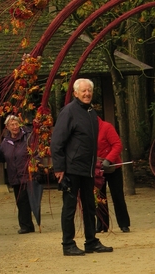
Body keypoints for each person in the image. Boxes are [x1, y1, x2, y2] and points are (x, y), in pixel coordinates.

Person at [51, 78, 113, 256]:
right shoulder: (69, 111)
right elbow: (57, 142)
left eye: (89, 91)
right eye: (83, 91)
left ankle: (91, 240)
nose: (87, 94)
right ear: (75, 93)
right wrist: (59, 168)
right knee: (69, 207)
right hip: (71, 168)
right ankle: (68, 243)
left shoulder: (91, 112)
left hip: (88, 168)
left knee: (89, 206)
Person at [0, 115, 42, 234]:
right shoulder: (6, 142)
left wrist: (35, 163)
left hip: (28, 174)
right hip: (14, 175)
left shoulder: (28, 137)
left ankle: (27, 225)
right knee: (20, 201)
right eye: (12, 125)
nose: (15, 127)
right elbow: (1, 156)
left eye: (16, 124)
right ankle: (26, 225)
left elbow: (36, 152)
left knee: (28, 200)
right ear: (7, 127)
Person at [96, 117, 131, 233]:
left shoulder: (106, 127)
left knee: (118, 196)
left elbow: (117, 145)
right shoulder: (85, 129)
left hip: (112, 167)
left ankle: (124, 224)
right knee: (99, 197)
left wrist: (109, 159)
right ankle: (102, 224)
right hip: (97, 167)